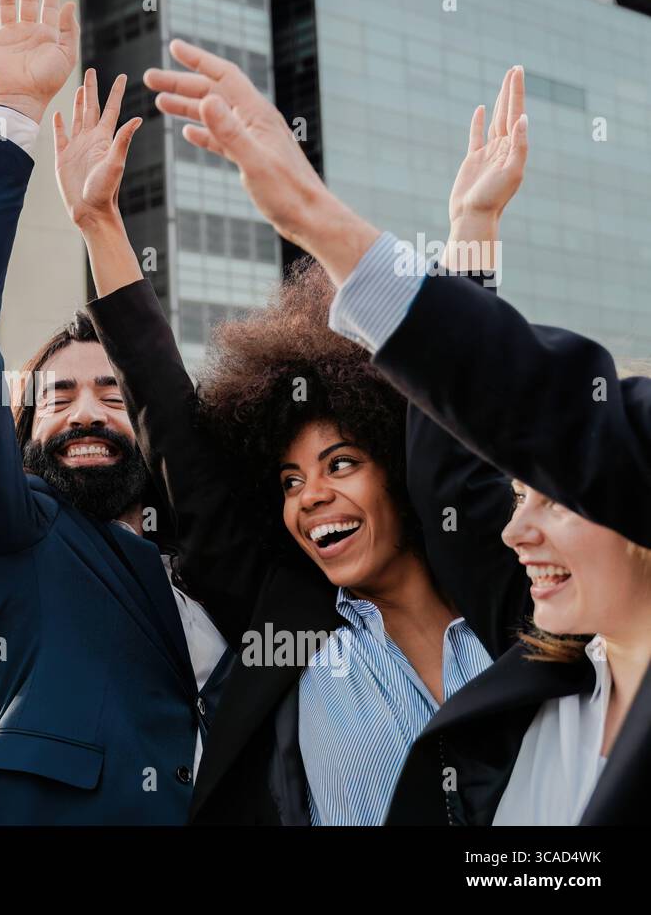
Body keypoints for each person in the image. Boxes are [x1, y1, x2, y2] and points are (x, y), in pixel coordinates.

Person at [150, 44, 651, 823]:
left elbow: (490, 435)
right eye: (289, 480)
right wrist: (470, 234)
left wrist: (329, 219)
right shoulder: (559, 687)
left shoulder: (528, 644)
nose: (518, 529)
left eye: (340, 463)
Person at [58, 69, 537, 824]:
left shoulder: (512, 596)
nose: (310, 495)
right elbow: (175, 428)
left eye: (340, 463)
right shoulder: (284, 625)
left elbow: (457, 444)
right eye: (287, 480)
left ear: (400, 474)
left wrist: (474, 230)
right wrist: (99, 226)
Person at [0, 0, 228, 825]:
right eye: (57, 398)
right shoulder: (5, 531)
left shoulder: (213, 551)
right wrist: (13, 114)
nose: (87, 409)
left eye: (110, 395)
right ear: (21, 431)